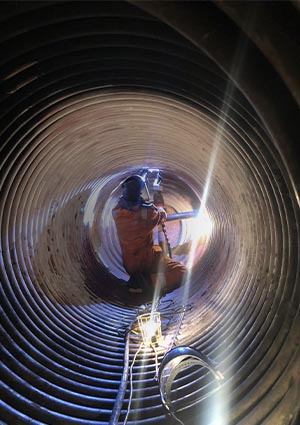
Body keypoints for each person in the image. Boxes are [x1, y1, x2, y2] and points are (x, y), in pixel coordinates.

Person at [112, 174, 187, 294]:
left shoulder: (116, 212)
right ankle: (144, 283)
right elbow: (160, 215)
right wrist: (158, 201)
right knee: (182, 273)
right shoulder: (144, 216)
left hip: (136, 261)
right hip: (145, 262)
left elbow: (143, 210)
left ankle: (147, 280)